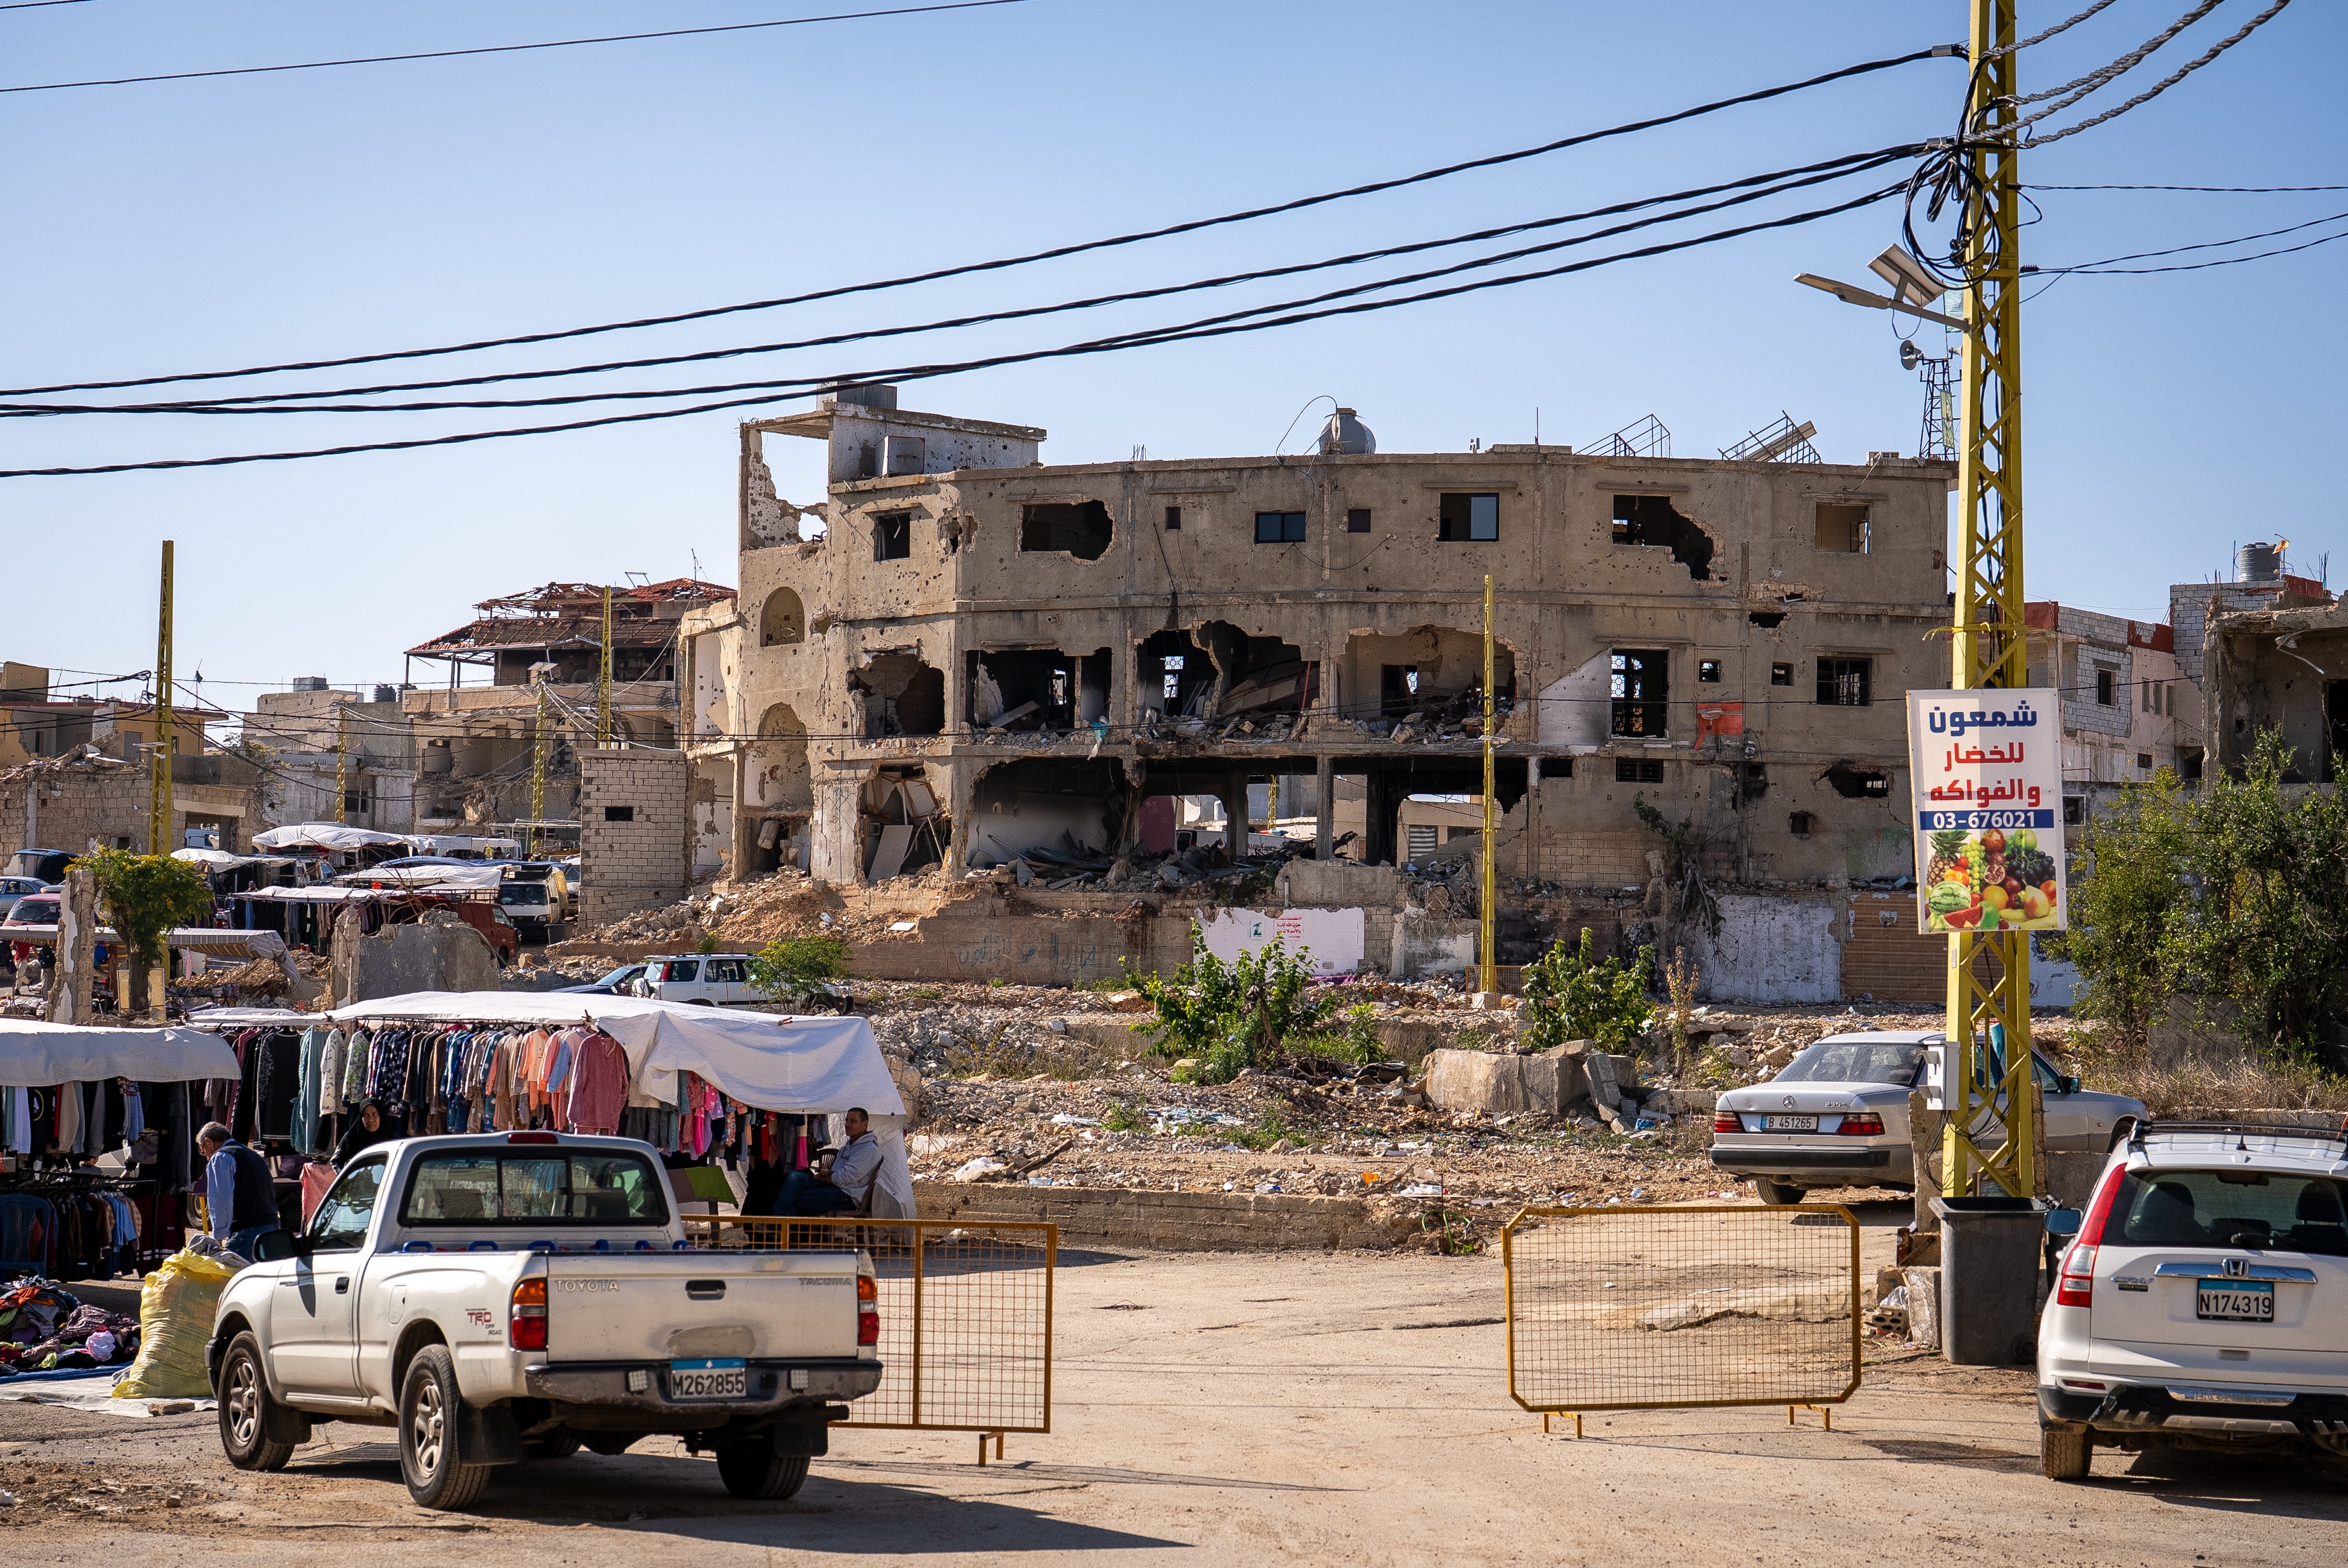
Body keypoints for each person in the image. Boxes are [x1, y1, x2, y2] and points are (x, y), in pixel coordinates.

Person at [198, 1121, 288, 1263]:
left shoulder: (220, 1157)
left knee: (233, 1280)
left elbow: (221, 1201)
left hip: (247, 1231)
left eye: (203, 1151)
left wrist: (218, 1238)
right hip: (272, 1227)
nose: (206, 1157)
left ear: (209, 1142)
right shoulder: (252, 1155)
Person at [774, 1108, 878, 1216]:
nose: (847, 1124)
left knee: (795, 1196)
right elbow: (837, 1172)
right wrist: (826, 1172)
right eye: (846, 1120)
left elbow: (847, 1177)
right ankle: (783, 1225)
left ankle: (780, 1226)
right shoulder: (849, 1145)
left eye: (853, 1121)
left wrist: (824, 1177)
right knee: (795, 1178)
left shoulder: (868, 1149)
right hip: (833, 1186)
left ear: (864, 1124)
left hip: (846, 1196)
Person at [333, 1099, 392, 1166]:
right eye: (366, 1115)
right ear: (361, 1117)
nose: (370, 1120)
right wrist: (349, 1176)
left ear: (381, 1116)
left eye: (375, 1114)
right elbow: (335, 1162)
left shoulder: (391, 1139)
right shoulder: (351, 1137)